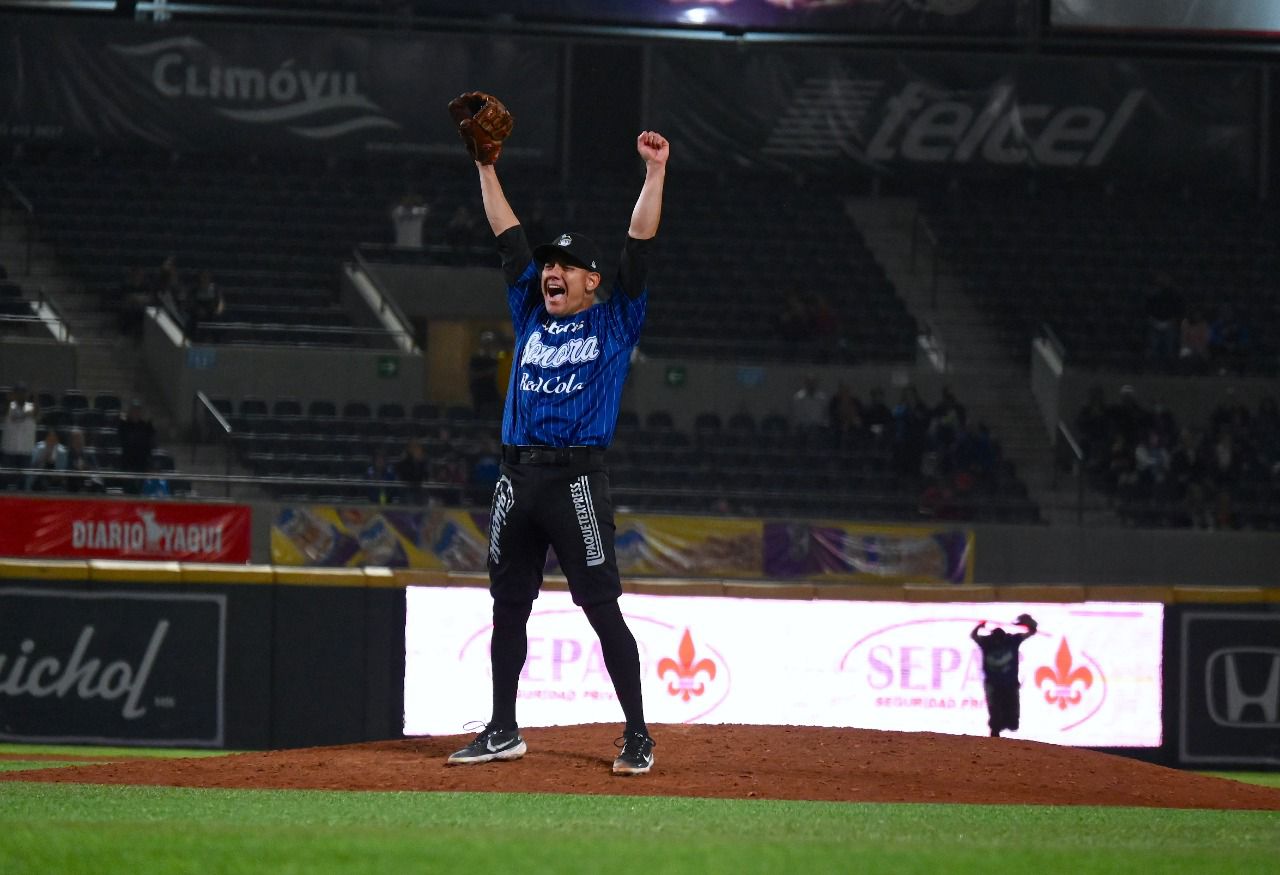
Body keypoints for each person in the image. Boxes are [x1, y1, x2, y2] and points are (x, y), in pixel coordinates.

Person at [444, 128, 669, 776]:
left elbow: (640, 245)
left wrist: (654, 175)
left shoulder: (614, 318)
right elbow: (507, 234)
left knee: (601, 608)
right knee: (507, 606)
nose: (550, 272)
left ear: (592, 280)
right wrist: (486, 164)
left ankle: (636, 732)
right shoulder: (530, 314)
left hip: (576, 482)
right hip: (517, 478)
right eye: (549, 265)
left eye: (565, 266)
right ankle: (503, 727)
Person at [970, 613, 1038, 737]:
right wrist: (979, 626)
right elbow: (1031, 632)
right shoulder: (999, 641)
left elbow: (1032, 631)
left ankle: (1002, 728)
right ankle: (996, 730)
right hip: (995, 683)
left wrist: (979, 626)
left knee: (1010, 715)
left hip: (1008, 683)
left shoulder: (1007, 640)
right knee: (995, 710)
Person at [118, 399, 157, 495]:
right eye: (134, 410)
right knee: (129, 490)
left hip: (142, 464)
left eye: (138, 411)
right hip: (128, 464)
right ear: (130, 412)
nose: (136, 413)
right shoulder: (124, 425)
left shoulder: (145, 426)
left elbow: (151, 444)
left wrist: (150, 466)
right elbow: (121, 438)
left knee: (142, 490)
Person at [25, 427, 68, 491]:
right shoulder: (38, 448)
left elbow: (62, 468)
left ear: (57, 440)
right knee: (39, 481)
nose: (51, 439)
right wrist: (43, 458)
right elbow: (33, 465)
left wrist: (56, 475)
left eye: (54, 438)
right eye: (49, 437)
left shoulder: (62, 452)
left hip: (55, 476)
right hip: (40, 474)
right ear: (45, 439)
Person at [65, 427, 105, 494]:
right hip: (73, 481)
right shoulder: (67, 454)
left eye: (81, 438)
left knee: (97, 481)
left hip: (87, 479)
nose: (79, 440)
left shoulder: (89, 454)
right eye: (76, 438)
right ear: (72, 440)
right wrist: (76, 468)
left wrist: (86, 467)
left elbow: (96, 469)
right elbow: (66, 469)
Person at [395, 437, 430, 505]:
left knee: (425, 496)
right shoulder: (405, 460)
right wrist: (403, 460)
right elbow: (402, 474)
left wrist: (420, 463)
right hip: (407, 487)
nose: (415, 449)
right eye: (413, 446)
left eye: (417, 446)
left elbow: (426, 476)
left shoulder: (424, 460)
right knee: (408, 496)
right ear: (409, 448)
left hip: (419, 487)